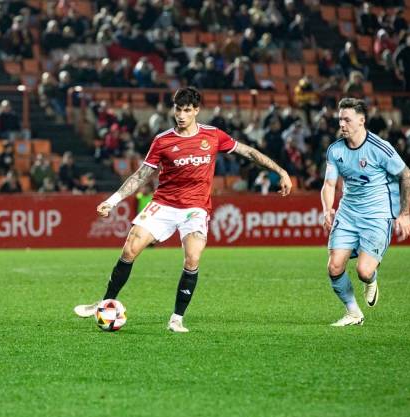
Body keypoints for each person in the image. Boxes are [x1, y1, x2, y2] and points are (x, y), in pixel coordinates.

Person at [73, 87, 293, 333]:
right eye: (178, 109)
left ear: (196, 111)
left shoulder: (213, 136)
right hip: (164, 203)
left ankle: (176, 318)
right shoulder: (162, 140)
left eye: (187, 110)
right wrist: (112, 201)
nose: (181, 115)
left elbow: (249, 152)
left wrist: (281, 171)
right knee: (130, 249)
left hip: (195, 208)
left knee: (193, 258)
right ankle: (104, 302)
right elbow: (141, 176)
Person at [321, 98, 410, 327]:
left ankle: (370, 279)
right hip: (348, 213)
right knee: (334, 266)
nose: (342, 124)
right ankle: (353, 313)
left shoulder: (380, 148)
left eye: (347, 119)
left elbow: (407, 176)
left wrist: (404, 213)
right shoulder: (335, 150)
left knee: (363, 271)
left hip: (377, 216)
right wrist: (327, 210)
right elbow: (330, 184)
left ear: (361, 121)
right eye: (340, 119)